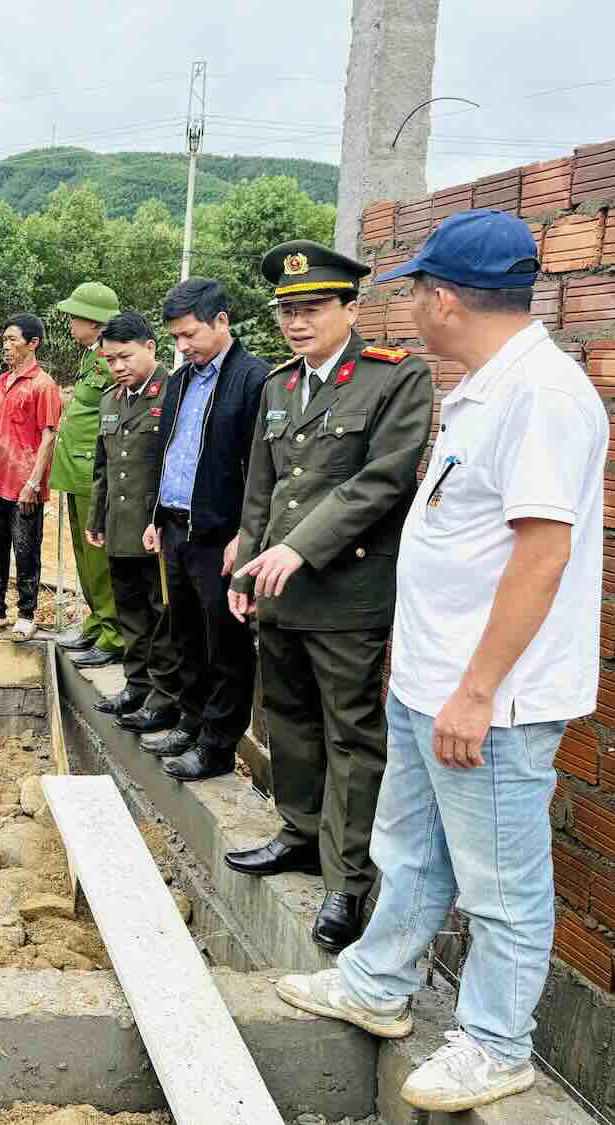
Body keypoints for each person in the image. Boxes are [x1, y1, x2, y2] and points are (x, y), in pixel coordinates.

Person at [276, 210, 606, 1114]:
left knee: (500, 880)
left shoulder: (541, 394)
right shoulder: (488, 389)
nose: (414, 307)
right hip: (436, 685)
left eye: (418, 291)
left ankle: (498, 1043)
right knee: (409, 849)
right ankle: (378, 983)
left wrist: (476, 689)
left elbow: (543, 556)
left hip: (488, 701)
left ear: (447, 300)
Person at [224, 241, 434, 953]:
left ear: (351, 308)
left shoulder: (394, 381)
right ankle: (299, 831)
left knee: (349, 732)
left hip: (345, 591)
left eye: (312, 309)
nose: (296, 323)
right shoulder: (280, 386)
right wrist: (246, 569)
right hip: (278, 588)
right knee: (286, 716)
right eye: (287, 311)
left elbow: (381, 482)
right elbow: (262, 489)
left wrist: (298, 548)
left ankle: (347, 882)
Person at [141, 278, 269, 782]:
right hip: (175, 527)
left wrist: (246, 533)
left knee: (226, 644)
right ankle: (191, 721)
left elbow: (262, 468)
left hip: (220, 535)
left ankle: (217, 745)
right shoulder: (181, 380)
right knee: (186, 632)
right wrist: (156, 517)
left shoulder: (253, 380)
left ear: (221, 321)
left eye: (190, 334)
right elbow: (167, 454)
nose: (182, 346)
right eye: (175, 337)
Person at [86, 313, 182, 732]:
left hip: (156, 528)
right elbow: (104, 468)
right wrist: (97, 517)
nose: (118, 366)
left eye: (124, 357)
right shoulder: (111, 400)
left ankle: (164, 698)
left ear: (150, 348)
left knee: (161, 616)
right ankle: (136, 685)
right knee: (131, 613)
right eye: (110, 360)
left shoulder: (174, 393)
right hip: (120, 526)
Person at [0, 314, 63, 642]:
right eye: (4, 340)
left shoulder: (43, 386)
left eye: (12, 339)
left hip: (24, 488)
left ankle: (27, 615)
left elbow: (48, 438)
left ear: (32, 342)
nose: (5, 345)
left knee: (26, 552)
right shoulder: (1, 383)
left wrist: (33, 484)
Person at [50, 281, 125, 669]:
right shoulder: (90, 358)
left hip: (92, 472)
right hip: (76, 471)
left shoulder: (109, 362)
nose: (71, 326)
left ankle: (113, 634)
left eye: (75, 318)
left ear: (94, 323)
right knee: (84, 555)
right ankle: (97, 621)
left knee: (99, 557)